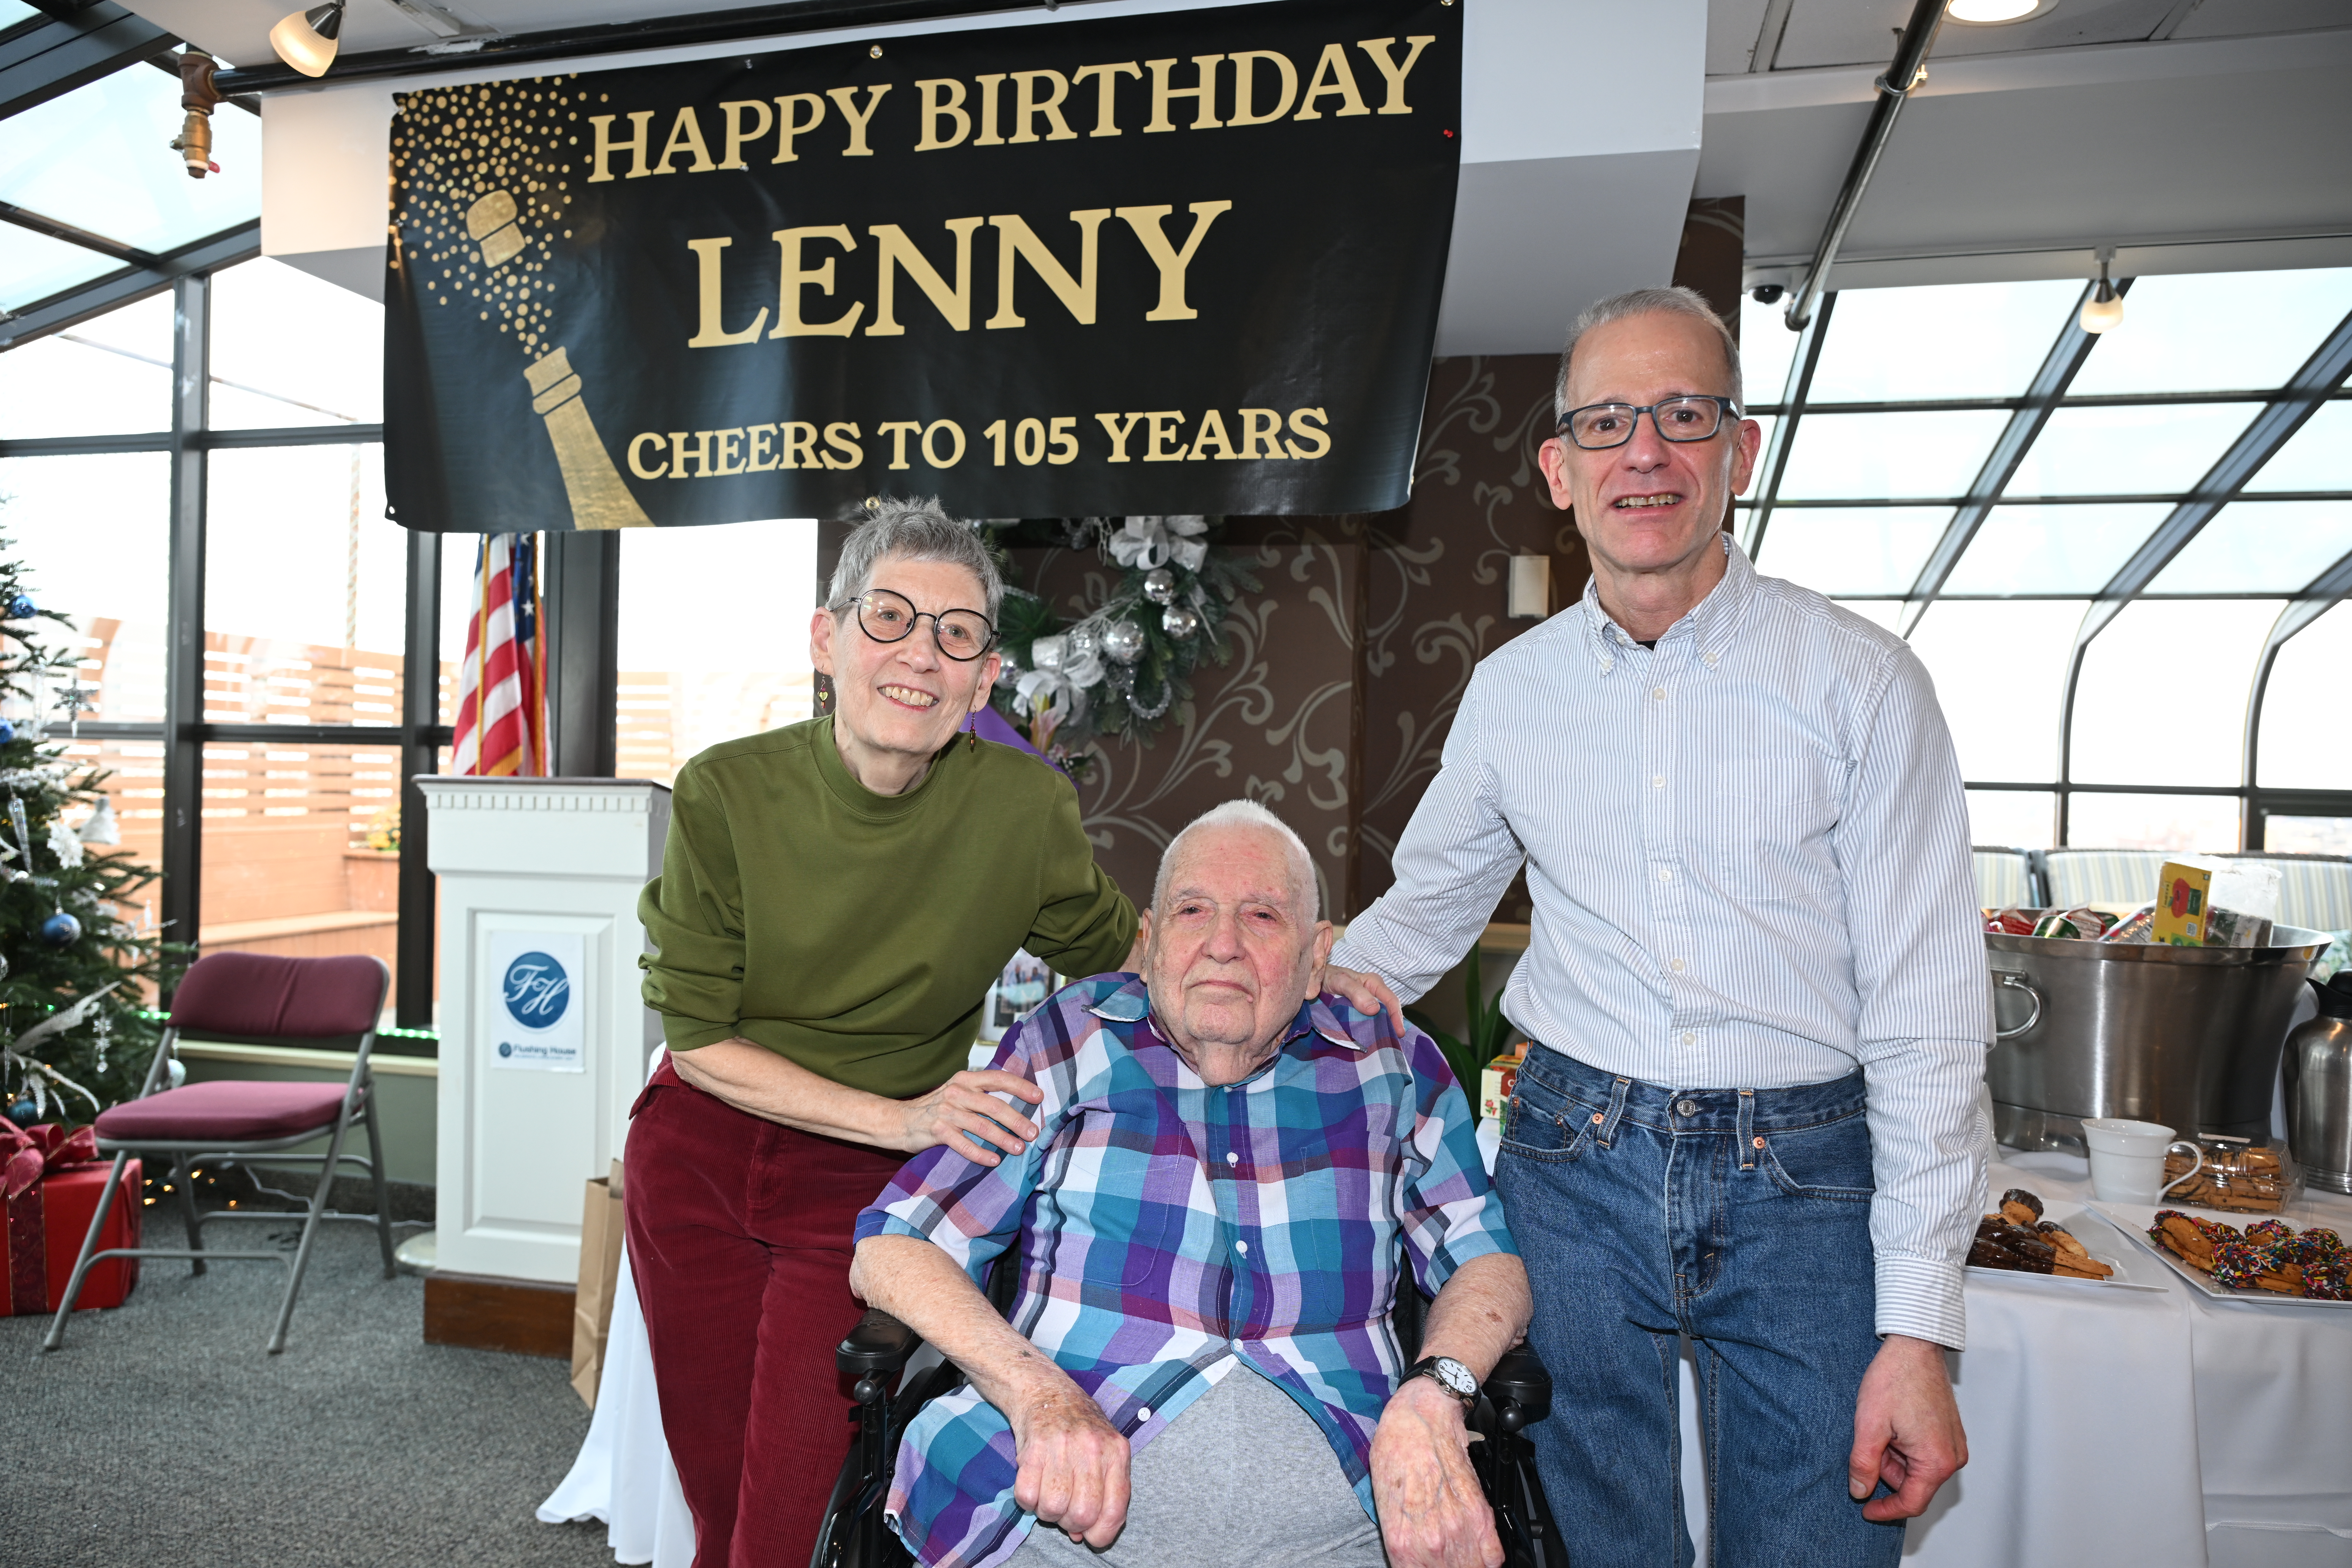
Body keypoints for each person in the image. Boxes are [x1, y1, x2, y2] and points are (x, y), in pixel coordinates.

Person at [1324, 286, 1986, 1567]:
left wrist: (1919, 1330)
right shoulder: (1512, 692)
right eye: (1609, 421)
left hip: (1808, 1178)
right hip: (1571, 1165)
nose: (1646, 450)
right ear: (1558, 472)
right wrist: (1251, 971)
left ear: (1738, 452)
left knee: (1814, 1547)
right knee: (1583, 1544)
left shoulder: (1862, 682)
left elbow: (1927, 1018)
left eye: (1683, 413)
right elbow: (1422, 917)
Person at [628, 499, 1141, 1568]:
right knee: (718, 1501)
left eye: (957, 633)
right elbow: (700, 1037)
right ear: (829, 638)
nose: (921, 654)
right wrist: (904, 1115)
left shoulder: (1022, 809)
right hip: (701, 1160)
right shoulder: (726, 790)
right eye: (892, 617)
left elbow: (1123, 953)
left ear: (986, 678)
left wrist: (1307, 972)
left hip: (861, 1197)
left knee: (791, 1519)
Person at [851, 799, 1531, 1568]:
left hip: (1344, 1538)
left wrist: (1436, 1392)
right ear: (1151, 941)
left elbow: (1486, 1260)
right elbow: (896, 1246)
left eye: (1264, 917)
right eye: (1193, 910)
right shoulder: (1069, 1040)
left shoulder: (1392, 1063)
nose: (1223, 945)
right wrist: (1038, 1396)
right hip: (1049, 1531)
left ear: (1316, 959)